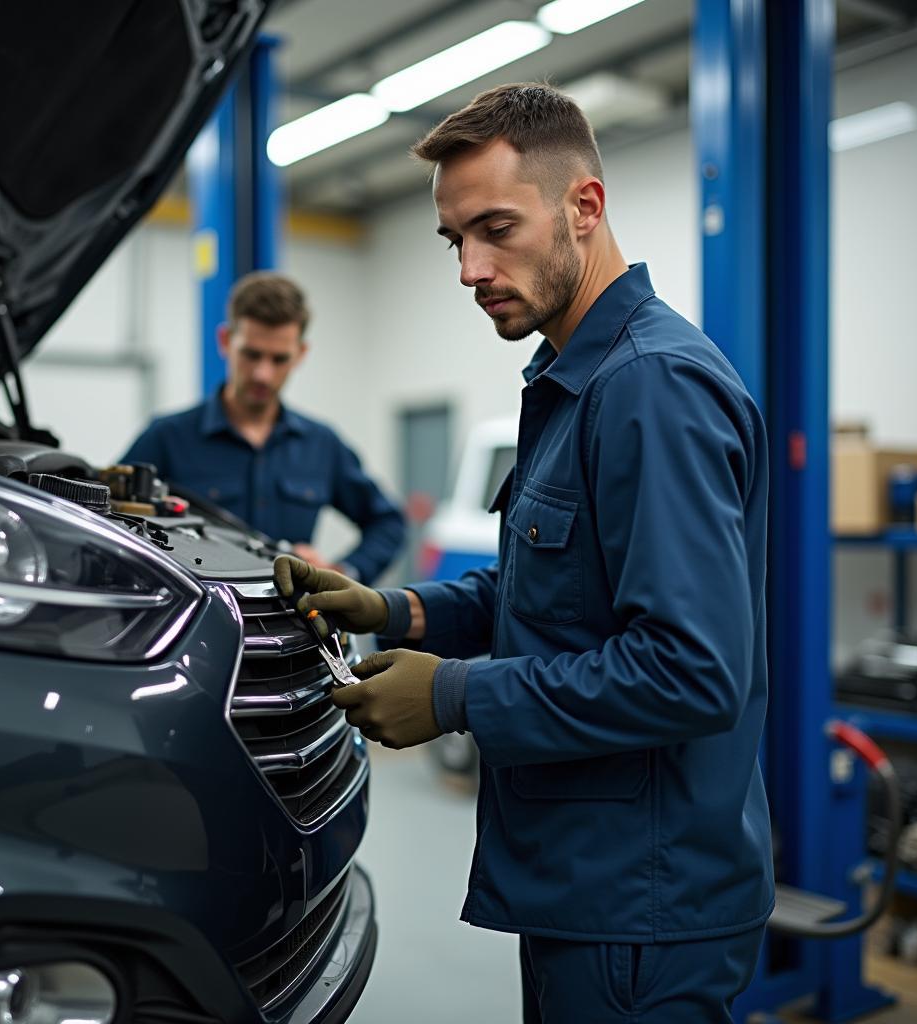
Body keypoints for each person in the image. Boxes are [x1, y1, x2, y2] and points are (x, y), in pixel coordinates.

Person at [275, 83, 773, 1022]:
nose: (470, 266)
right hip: (589, 886)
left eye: (496, 227)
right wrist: (394, 610)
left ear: (584, 207)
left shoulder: (650, 389)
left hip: (643, 911)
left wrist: (453, 695)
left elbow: (691, 672)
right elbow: (559, 590)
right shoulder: (572, 376)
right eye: (454, 240)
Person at [122, 271, 405, 583]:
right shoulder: (166, 438)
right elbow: (110, 523)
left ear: (301, 354)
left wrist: (342, 573)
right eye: (251, 354)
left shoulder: (321, 445)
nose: (262, 375)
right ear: (226, 341)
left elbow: (388, 523)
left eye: (279, 359)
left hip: (291, 625)